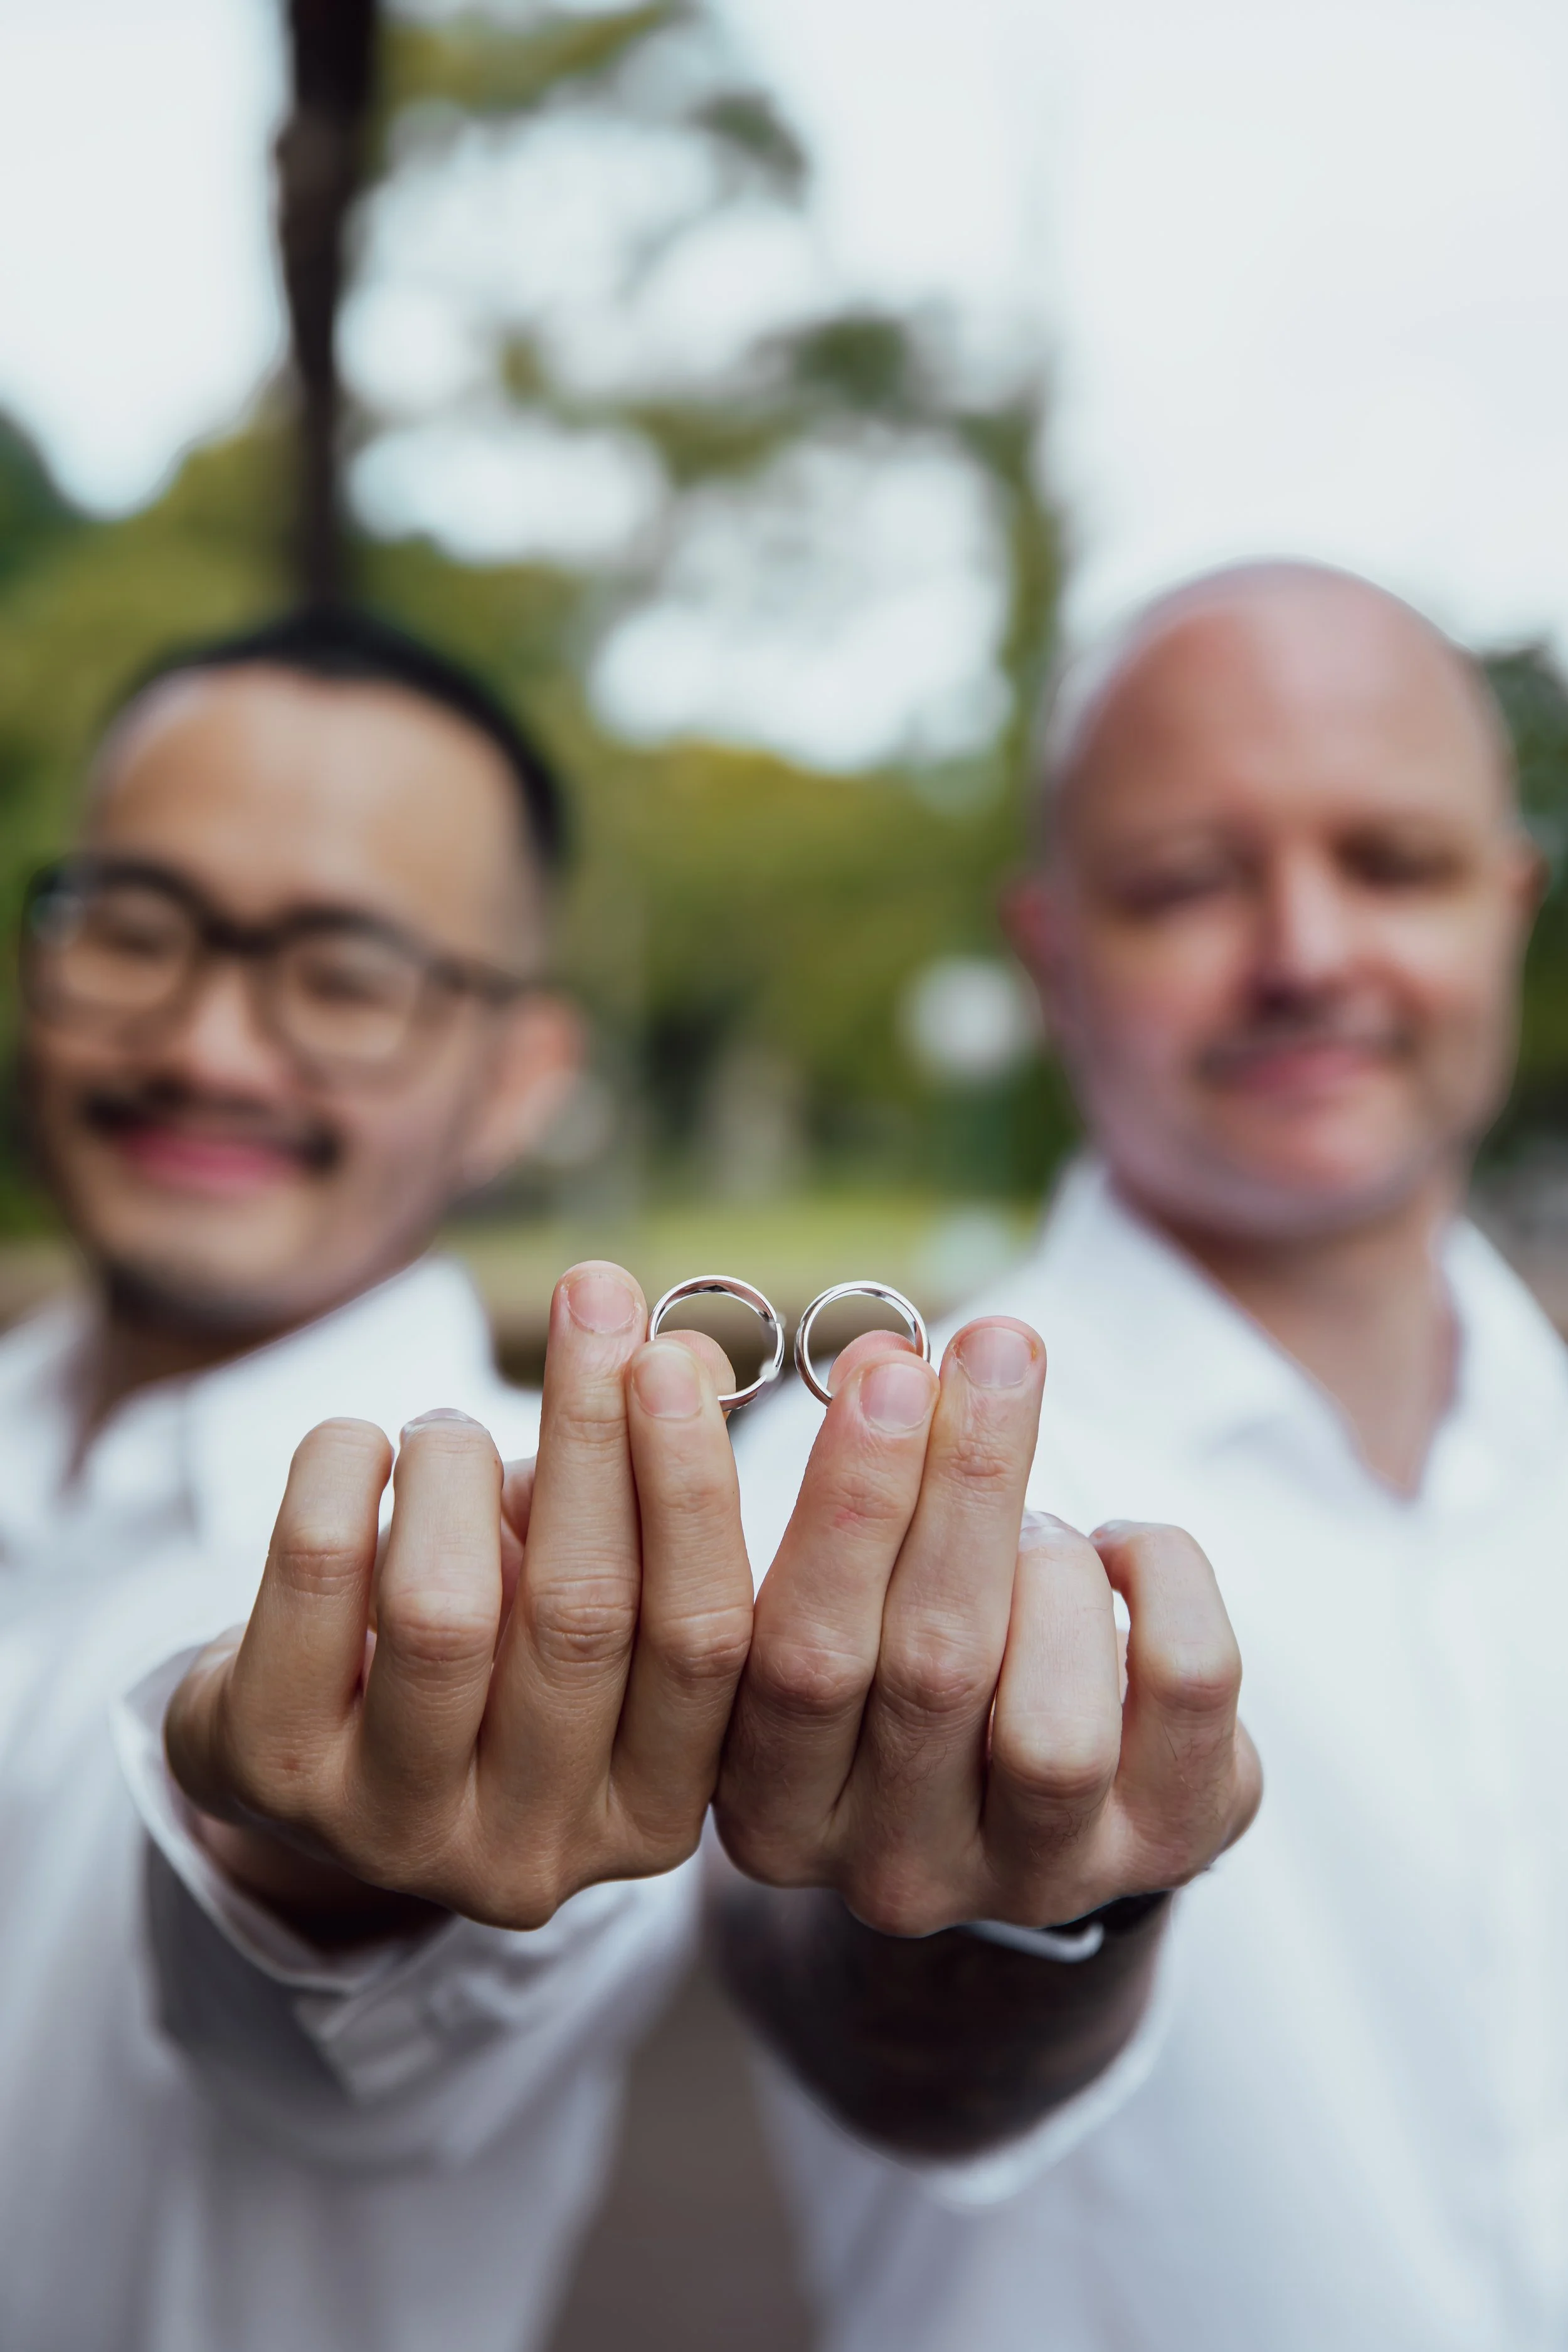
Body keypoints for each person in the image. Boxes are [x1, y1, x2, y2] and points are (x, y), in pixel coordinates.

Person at [0, 602, 1255, 2352]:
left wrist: (334, 1882)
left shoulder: (586, 1592)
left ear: (521, 1078)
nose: (211, 1040)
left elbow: (392, 2035)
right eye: (136, 929)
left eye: (346, 973)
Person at [721, 560, 1568, 2352]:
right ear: (1049, 954)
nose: (1306, 951)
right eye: (1187, 880)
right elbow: (838, 1993)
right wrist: (996, 1925)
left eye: (1392, 863)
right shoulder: (843, 1491)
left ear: (1508, 904)